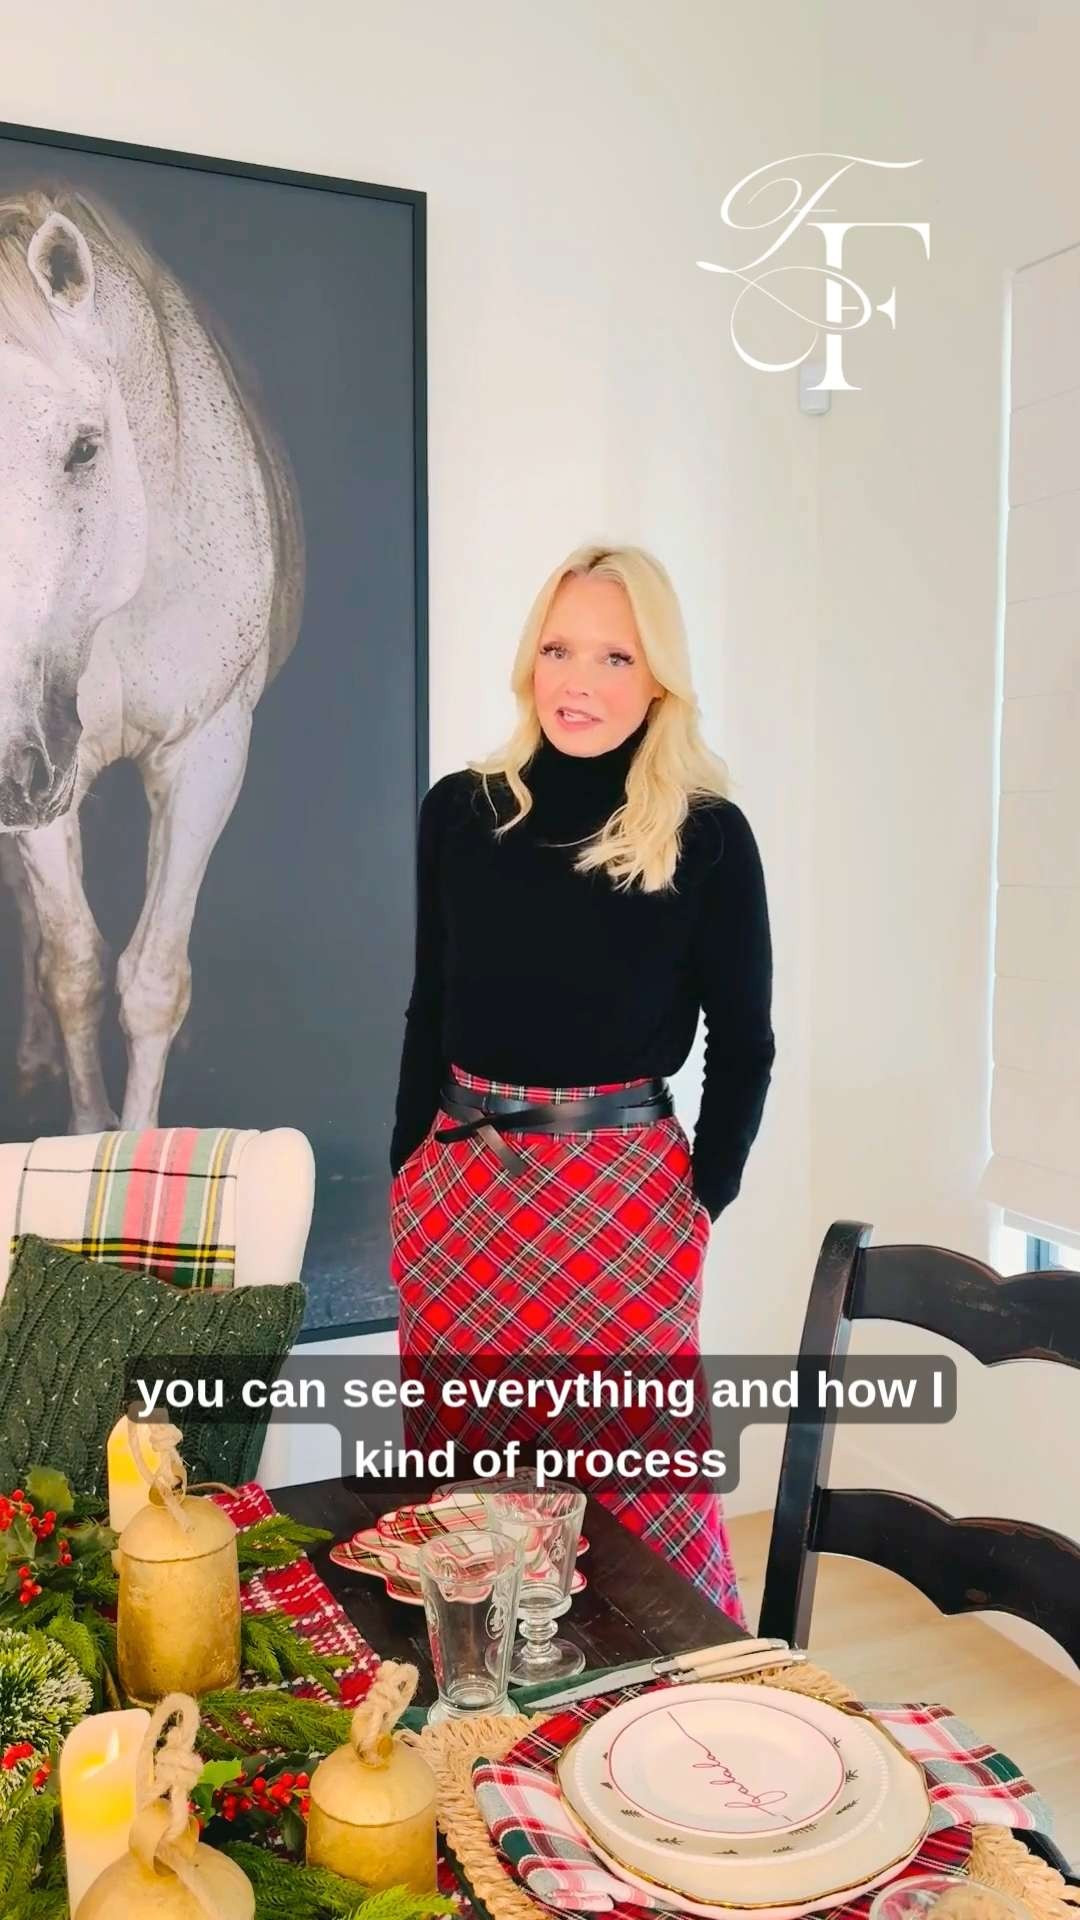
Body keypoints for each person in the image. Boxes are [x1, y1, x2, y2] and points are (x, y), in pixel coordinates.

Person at [387, 542, 775, 1621]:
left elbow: (745, 1045)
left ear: (658, 679)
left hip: (620, 1199)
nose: (579, 681)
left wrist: (699, 1204)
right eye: (559, 649)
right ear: (529, 663)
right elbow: (429, 1004)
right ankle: (488, 1718)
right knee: (469, 1494)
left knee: (640, 1483)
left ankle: (668, 1710)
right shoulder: (460, 812)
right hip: (457, 1194)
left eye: (614, 656)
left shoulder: (707, 836)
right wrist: (404, 1170)